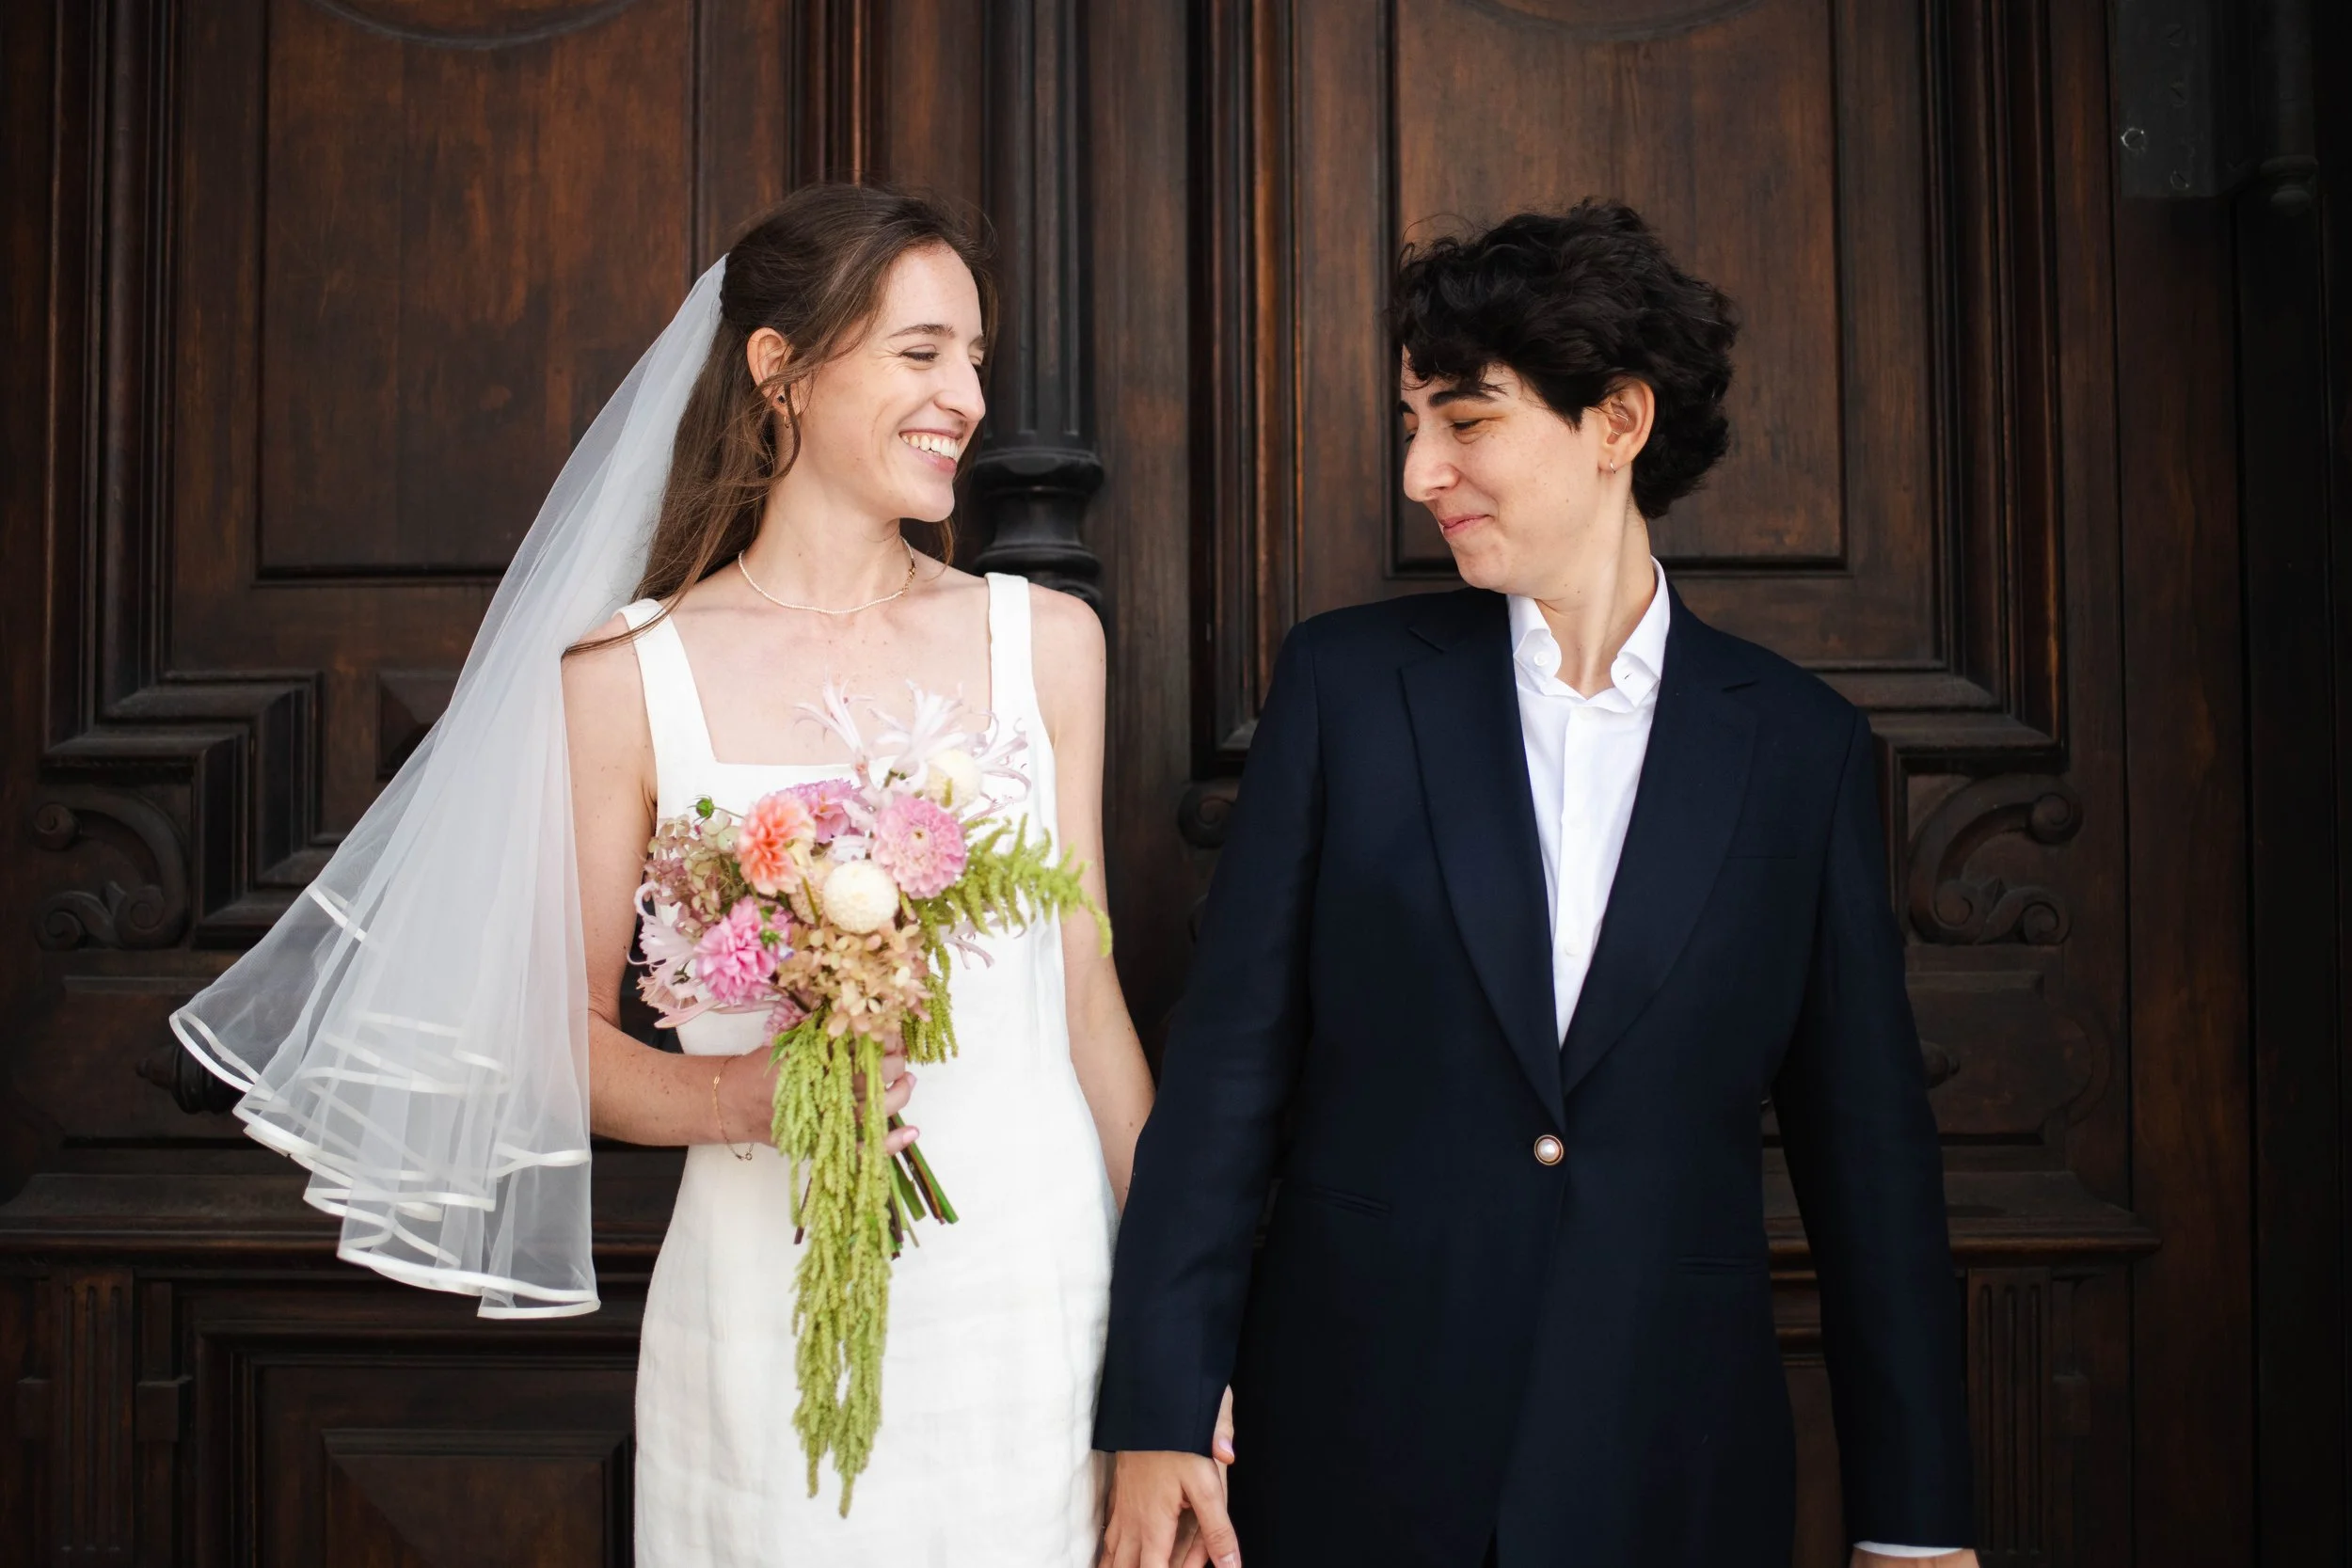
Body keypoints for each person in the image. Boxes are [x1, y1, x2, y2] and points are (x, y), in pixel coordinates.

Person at [171, 184, 1153, 1565]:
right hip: (764, 1310)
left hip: (1042, 1308)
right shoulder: (626, 679)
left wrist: (1181, 1345)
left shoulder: (1046, 642)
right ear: (782, 369)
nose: (970, 399)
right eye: (924, 353)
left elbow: (1089, 1004)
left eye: (977, 360)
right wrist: (753, 1094)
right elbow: (552, 1041)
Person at [1095, 201, 1979, 1568]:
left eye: (1465, 420)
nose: (1420, 470)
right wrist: (1156, 1406)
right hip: (1351, 1448)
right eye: (1414, 425)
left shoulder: (1800, 750)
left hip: (1670, 1466)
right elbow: (1223, 1087)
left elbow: (1870, 1165)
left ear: (1616, 420)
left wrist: (1917, 1529)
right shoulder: (1347, 690)